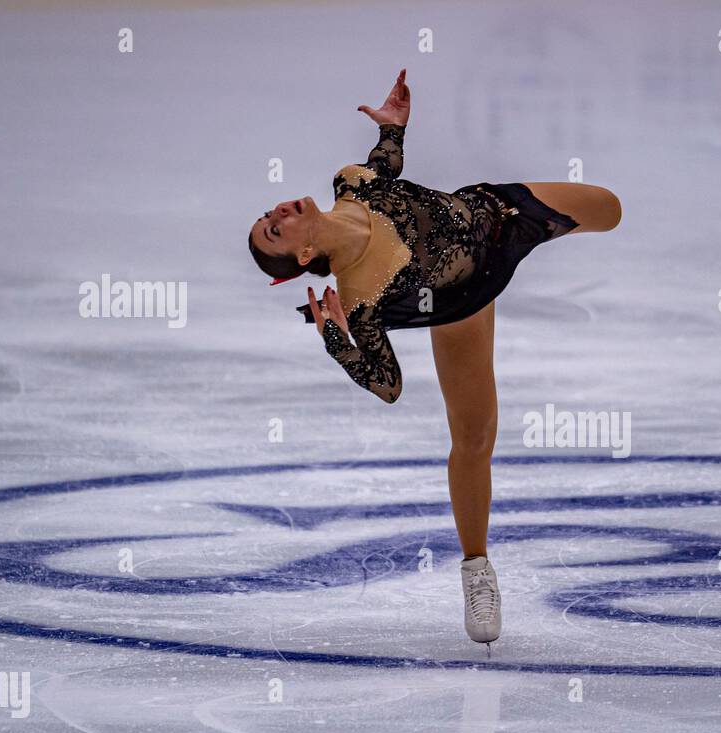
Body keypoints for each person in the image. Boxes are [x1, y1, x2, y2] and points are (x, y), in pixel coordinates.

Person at [248, 69, 622, 645]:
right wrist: (339, 346)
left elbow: (386, 169)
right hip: (460, 302)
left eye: (268, 215)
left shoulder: (351, 183)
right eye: (275, 230)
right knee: (474, 440)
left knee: (612, 209)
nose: (276, 211)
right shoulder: (359, 298)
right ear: (302, 252)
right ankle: (477, 569)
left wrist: (394, 129)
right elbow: (389, 384)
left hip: (497, 214)